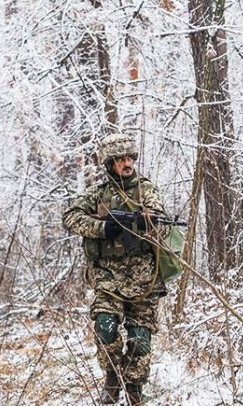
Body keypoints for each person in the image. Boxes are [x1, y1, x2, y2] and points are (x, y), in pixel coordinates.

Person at [62, 133, 170, 405]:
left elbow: (164, 222)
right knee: (105, 326)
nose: (127, 163)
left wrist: (151, 224)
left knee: (140, 337)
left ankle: (134, 388)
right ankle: (112, 377)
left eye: (130, 158)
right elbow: (70, 216)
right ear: (110, 163)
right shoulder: (98, 193)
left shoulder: (146, 190)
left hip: (144, 278)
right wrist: (101, 228)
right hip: (107, 277)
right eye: (120, 159)